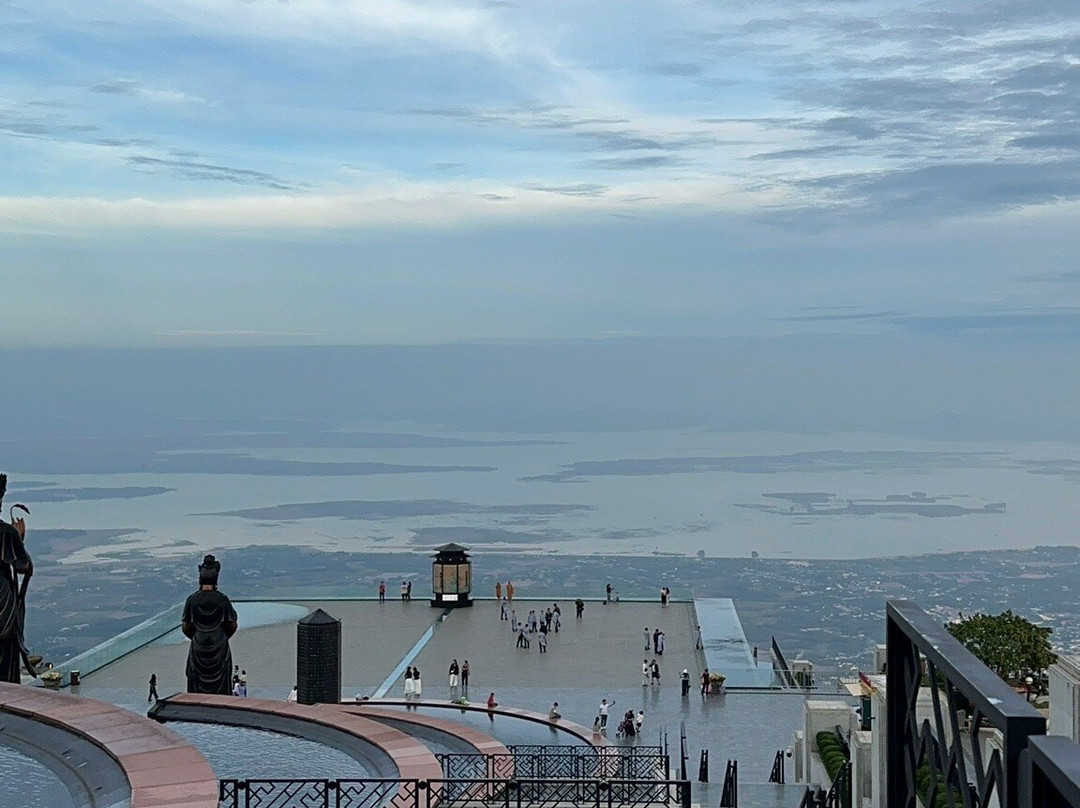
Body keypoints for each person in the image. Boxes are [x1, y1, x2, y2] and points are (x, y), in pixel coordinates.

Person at [182, 554, 238, 694]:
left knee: (196, 685)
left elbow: (186, 627)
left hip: (198, 644)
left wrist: (197, 635)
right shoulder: (223, 600)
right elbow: (232, 625)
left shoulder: (192, 600)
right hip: (219, 644)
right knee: (223, 684)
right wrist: (221, 635)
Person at [0, 477, 35, 684]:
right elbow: (23, 566)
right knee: (5, 647)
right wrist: (20, 539)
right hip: (2, 594)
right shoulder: (6, 532)